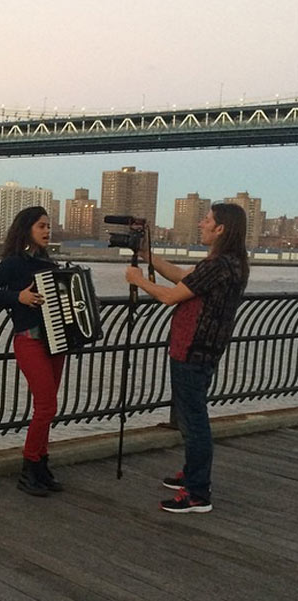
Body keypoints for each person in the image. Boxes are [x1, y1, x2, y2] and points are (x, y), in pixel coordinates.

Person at [125, 203, 249, 513]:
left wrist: (138, 280)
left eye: (207, 220)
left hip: (192, 349)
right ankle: (193, 474)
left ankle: (197, 493)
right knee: (191, 416)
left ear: (220, 229)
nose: (201, 223)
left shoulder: (218, 265)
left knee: (194, 421)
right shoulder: (229, 263)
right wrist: (146, 255)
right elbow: (183, 277)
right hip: (201, 349)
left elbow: (169, 296)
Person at [0, 206, 65, 497]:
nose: (47, 231)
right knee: (46, 406)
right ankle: (29, 468)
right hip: (29, 340)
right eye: (41, 226)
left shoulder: (50, 265)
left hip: (56, 343)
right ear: (27, 229)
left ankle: (40, 465)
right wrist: (18, 297)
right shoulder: (14, 264)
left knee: (49, 407)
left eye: (49, 226)